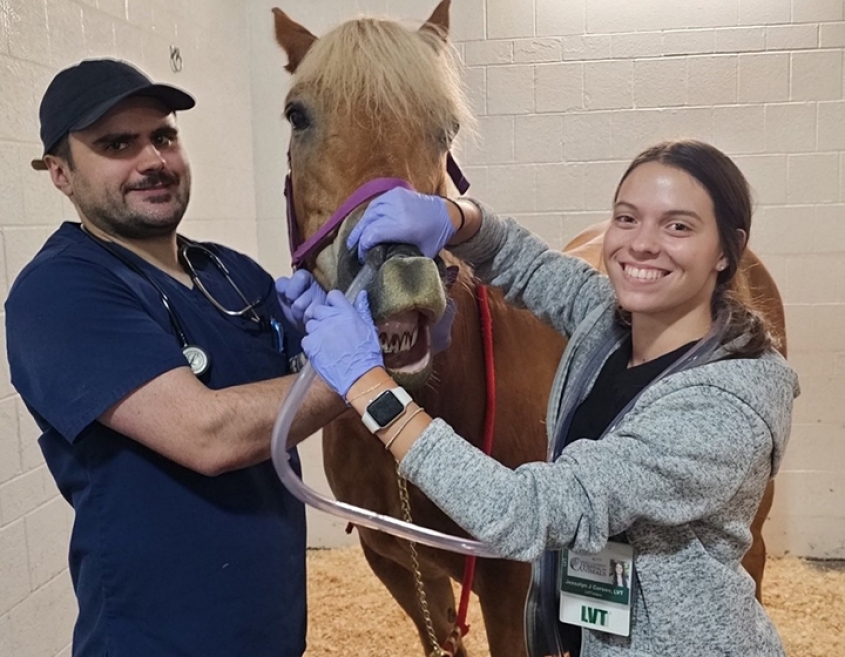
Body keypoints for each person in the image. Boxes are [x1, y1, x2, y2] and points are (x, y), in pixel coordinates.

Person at [294, 140, 799, 656]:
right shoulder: (610, 326)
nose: (641, 244)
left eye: (678, 226)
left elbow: (530, 513)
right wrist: (453, 217)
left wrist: (367, 384)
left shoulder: (721, 409)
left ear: (725, 250)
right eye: (627, 219)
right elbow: (527, 265)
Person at [5, 59, 345, 657]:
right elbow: (206, 435)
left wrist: (392, 323)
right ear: (60, 173)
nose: (153, 160)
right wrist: (367, 371)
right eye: (117, 144)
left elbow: (304, 374)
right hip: (158, 639)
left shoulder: (228, 271)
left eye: (163, 136)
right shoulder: (61, 291)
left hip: (272, 628)